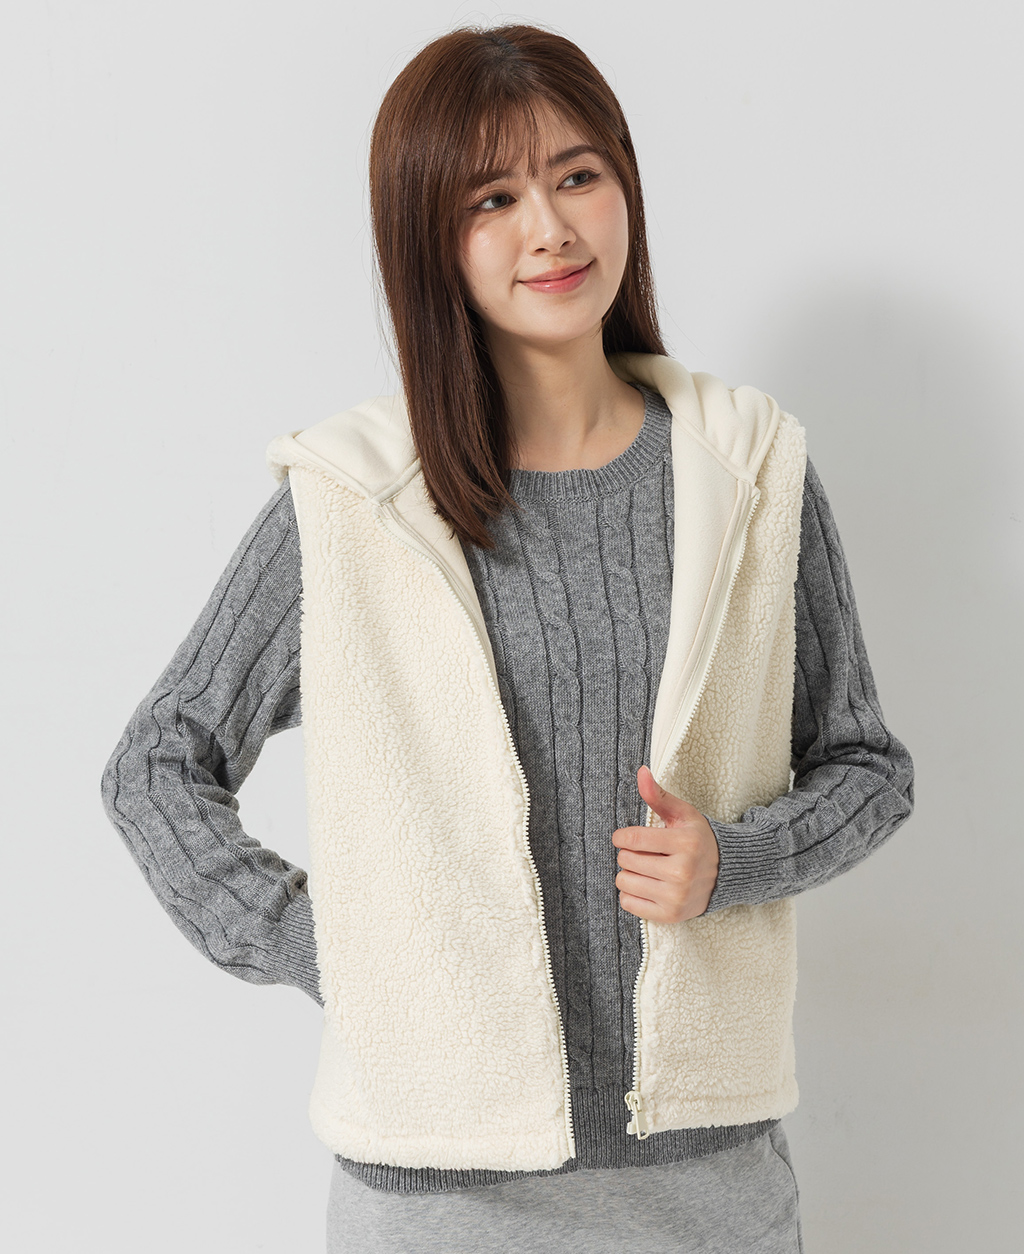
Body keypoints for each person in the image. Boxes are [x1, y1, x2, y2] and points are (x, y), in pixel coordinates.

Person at [100, 23, 915, 1254]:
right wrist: (333, 946)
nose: (551, 228)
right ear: (429, 239)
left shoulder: (747, 469)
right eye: (493, 198)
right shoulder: (357, 498)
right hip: (438, 1196)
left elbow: (866, 766)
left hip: (708, 1188)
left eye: (577, 175)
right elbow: (157, 764)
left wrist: (729, 863)